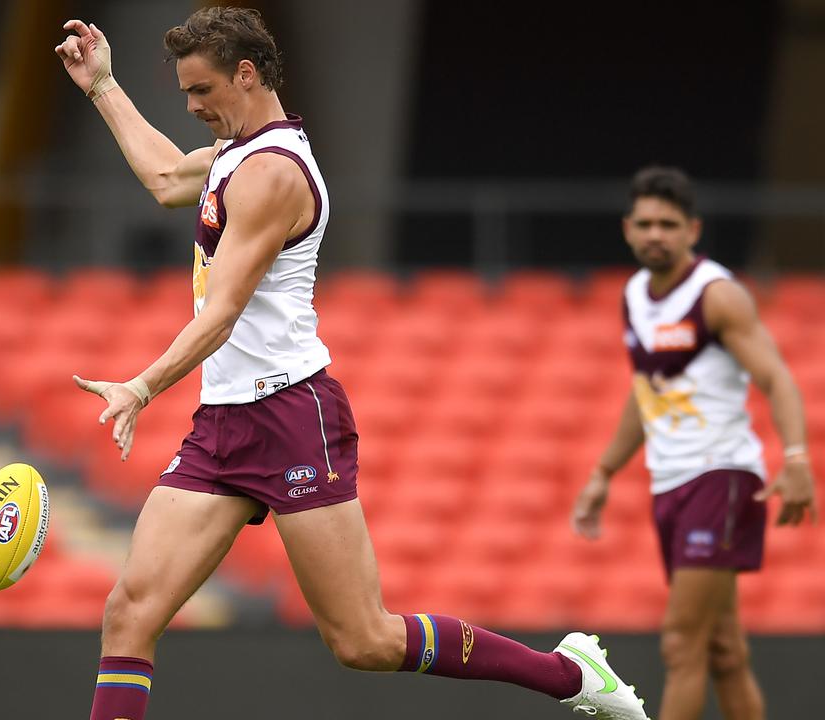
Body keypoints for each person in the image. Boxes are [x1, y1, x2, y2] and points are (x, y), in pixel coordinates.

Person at [57, 8, 648, 720]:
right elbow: (160, 177)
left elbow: (221, 315)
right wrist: (102, 87)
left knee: (363, 639)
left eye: (202, 89)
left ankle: (567, 673)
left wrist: (143, 385)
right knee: (129, 613)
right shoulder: (235, 156)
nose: (191, 105)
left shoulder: (272, 174)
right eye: (186, 92)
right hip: (222, 424)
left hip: (289, 416)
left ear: (247, 75)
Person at [571, 166, 818, 720]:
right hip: (670, 481)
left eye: (668, 223)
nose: (655, 233)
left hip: (722, 476)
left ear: (693, 230)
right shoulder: (635, 295)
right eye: (646, 223)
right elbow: (647, 389)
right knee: (724, 650)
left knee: (681, 644)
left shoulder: (718, 296)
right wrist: (603, 472)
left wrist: (797, 458)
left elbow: (777, 377)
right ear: (627, 228)